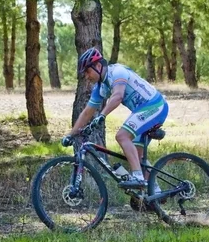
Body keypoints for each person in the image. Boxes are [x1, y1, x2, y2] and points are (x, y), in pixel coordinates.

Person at [61, 48, 169, 189]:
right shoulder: (101, 87)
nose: (87, 76)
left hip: (155, 106)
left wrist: (102, 116)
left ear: (98, 66)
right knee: (137, 157)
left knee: (122, 136)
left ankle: (138, 178)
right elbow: (87, 112)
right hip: (144, 110)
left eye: (88, 71)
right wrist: (71, 134)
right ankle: (154, 193)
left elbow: (117, 96)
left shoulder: (117, 72)